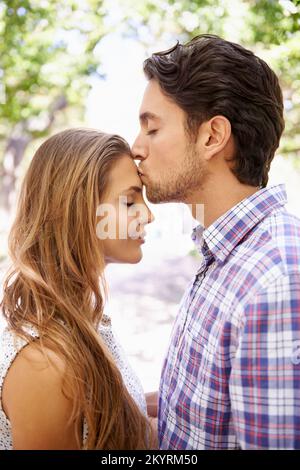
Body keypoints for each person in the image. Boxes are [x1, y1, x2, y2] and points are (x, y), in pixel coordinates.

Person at [132, 34, 300, 449]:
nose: (136, 148)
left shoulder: (275, 279)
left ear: (212, 137)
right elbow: (198, 416)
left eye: (152, 128)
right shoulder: (227, 255)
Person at [0, 128, 155, 450]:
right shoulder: (44, 363)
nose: (148, 215)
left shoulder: (79, 315)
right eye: (129, 200)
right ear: (78, 209)